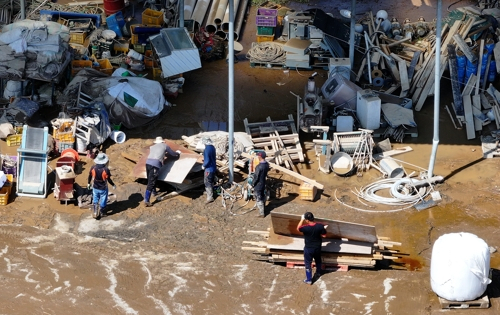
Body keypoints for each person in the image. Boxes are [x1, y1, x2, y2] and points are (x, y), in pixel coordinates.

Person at [144, 136, 181, 206]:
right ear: (162, 141)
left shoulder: (152, 147)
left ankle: (154, 192)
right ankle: (146, 200)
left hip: (148, 163)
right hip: (155, 165)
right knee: (151, 182)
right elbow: (172, 153)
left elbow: (157, 153)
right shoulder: (165, 146)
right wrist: (178, 153)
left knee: (150, 179)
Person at [297, 212, 328, 285]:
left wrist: (301, 220)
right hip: (317, 247)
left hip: (308, 249)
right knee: (318, 260)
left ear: (307, 220)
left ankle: (309, 279)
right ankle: (318, 273)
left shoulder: (305, 228)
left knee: (308, 263)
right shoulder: (320, 226)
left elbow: (298, 228)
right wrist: (323, 229)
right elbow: (324, 236)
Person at [87, 152, 116, 219]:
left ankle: (95, 211)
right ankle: (102, 212)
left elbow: (90, 176)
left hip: (95, 187)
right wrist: (113, 185)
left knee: (95, 199)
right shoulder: (106, 170)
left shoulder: (93, 168)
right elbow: (108, 179)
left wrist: (88, 183)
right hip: (103, 188)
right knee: (103, 200)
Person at [252, 151, 269, 217]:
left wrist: (252, 184)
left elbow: (256, 177)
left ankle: (261, 213)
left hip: (258, 184)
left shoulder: (259, 167)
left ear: (260, 157)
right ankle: (264, 209)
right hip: (263, 182)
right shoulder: (266, 164)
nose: (257, 157)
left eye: (258, 156)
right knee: (262, 196)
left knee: (258, 198)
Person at [201, 137, 217, 204]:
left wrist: (203, 165)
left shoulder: (207, 149)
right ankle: (210, 192)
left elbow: (207, 160)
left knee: (207, 182)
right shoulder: (212, 147)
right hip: (213, 167)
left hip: (208, 169)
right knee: (211, 181)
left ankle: (210, 197)